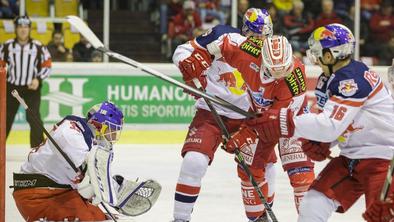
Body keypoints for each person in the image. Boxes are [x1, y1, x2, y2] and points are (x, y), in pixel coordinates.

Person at [172, 8, 315, 221]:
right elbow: (192, 51)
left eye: (263, 36)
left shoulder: (294, 80)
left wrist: (248, 134)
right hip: (214, 112)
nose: (259, 40)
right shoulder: (240, 45)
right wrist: (193, 65)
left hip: (256, 118)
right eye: (255, 36)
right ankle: (180, 218)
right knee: (194, 161)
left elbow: (274, 121)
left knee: (275, 170)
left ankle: (260, 217)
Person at [244, 23, 394, 222]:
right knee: (313, 203)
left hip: (384, 160)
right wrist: (323, 142)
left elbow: (330, 126)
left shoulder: (352, 80)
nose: (314, 56)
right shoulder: (328, 80)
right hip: (351, 159)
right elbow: (338, 125)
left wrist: (284, 120)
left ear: (331, 55)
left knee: (383, 217)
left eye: (317, 51)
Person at [11, 101, 161, 221]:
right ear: (99, 125)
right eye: (111, 130)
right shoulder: (71, 136)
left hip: (55, 191)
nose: (113, 136)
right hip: (36, 196)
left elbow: (89, 183)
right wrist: (119, 194)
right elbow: (89, 183)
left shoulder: (85, 136)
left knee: (101, 218)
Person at [0, 15, 52, 148]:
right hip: (11, 88)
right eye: (20, 27)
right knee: (4, 120)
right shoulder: (7, 46)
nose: (23, 30)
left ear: (29, 29)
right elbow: (0, 65)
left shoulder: (38, 47)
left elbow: (47, 65)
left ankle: (38, 150)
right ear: (16, 29)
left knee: (34, 119)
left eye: (25, 27)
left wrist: (38, 79)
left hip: (31, 89)